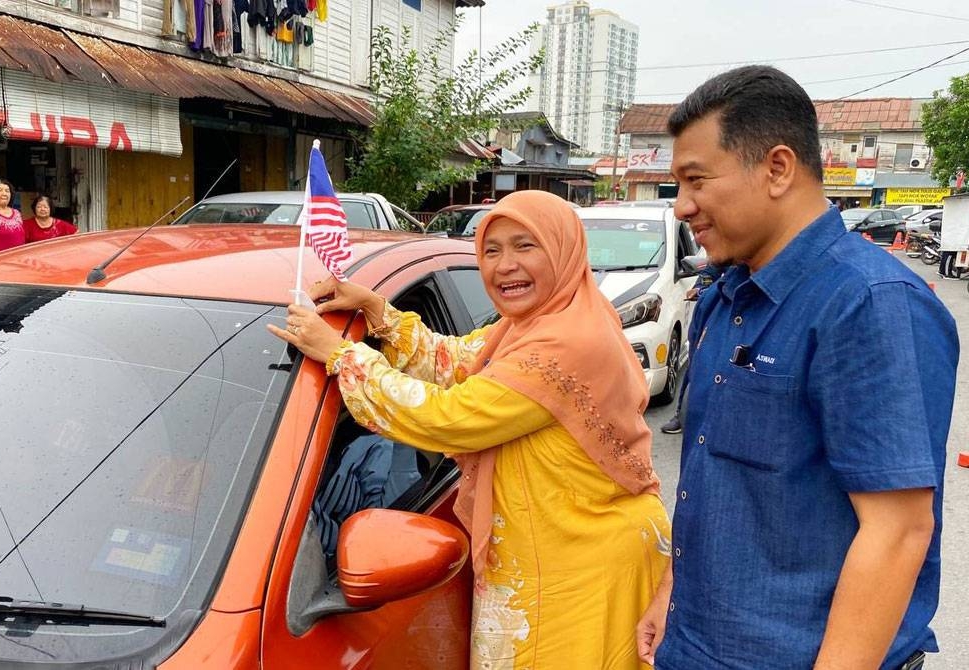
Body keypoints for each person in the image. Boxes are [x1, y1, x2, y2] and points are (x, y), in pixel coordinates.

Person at [636, 65, 958, 670]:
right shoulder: (725, 295)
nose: (681, 207)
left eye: (696, 180)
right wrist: (672, 595)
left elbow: (897, 533)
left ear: (777, 168)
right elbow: (715, 484)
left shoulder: (868, 302)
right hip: (698, 644)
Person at [270, 190, 672, 669]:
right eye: (492, 250)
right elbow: (457, 361)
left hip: (577, 560)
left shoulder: (566, 341)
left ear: (564, 249)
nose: (505, 266)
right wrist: (377, 311)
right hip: (559, 545)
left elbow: (446, 418)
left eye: (525, 246)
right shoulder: (538, 321)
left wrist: (341, 356)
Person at [659, 261, 726, 435]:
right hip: (711, 320)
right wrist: (699, 287)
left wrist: (705, 291)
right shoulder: (726, 254)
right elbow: (710, 272)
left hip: (735, 321)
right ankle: (681, 415)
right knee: (696, 363)